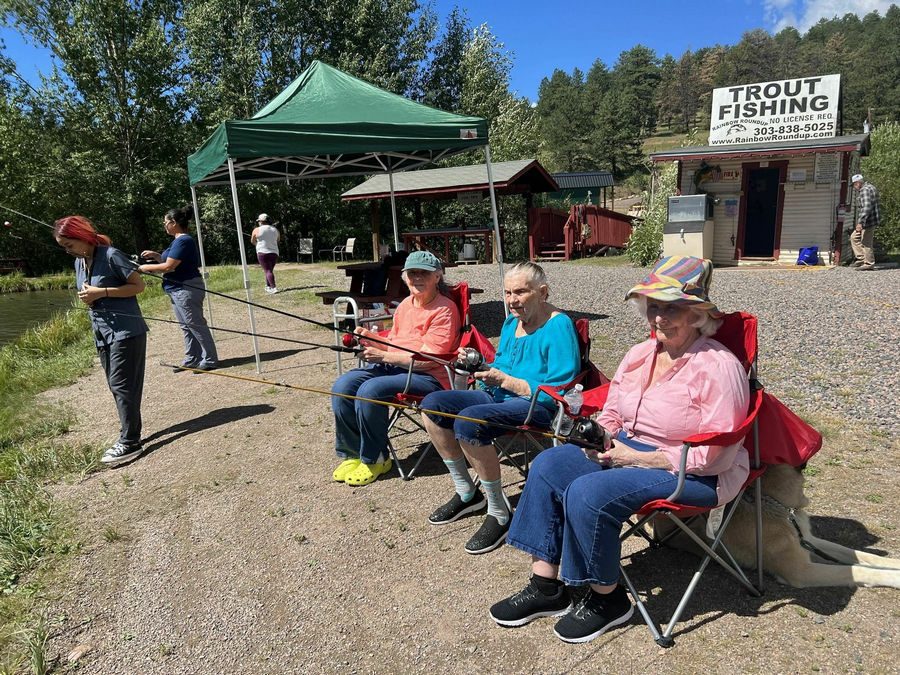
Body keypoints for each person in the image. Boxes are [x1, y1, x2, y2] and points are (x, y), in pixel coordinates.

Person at [489, 256, 749, 644]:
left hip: (694, 472)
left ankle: (608, 599)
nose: (659, 318)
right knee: (548, 464)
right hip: (629, 450)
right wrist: (601, 434)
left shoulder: (718, 367)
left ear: (697, 314)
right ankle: (546, 586)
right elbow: (612, 410)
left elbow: (717, 455)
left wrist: (637, 458)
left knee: (588, 492)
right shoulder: (640, 355)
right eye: (654, 306)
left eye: (672, 307)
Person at [420, 262, 581, 555]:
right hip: (498, 396)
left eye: (520, 292)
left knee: (469, 421)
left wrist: (506, 380)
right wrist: (479, 365)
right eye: (507, 292)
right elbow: (502, 364)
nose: (512, 300)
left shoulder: (558, 325)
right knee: (433, 404)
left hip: (537, 406)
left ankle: (498, 511)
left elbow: (559, 389)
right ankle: (468, 492)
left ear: (542, 292)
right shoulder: (511, 323)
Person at [331, 251, 461, 487]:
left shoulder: (445, 309)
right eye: (412, 273)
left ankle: (376, 458)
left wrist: (384, 356)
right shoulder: (404, 305)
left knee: (370, 390)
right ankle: (352, 454)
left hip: (430, 377)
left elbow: (430, 359)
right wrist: (369, 338)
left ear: (437, 277)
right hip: (396, 368)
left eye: (424, 273)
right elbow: (394, 340)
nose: (418, 278)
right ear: (404, 277)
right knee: (343, 385)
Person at [54, 215, 149, 466]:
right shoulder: (80, 262)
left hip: (127, 331)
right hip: (103, 332)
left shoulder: (110, 255)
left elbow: (138, 286)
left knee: (121, 384)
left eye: (69, 245)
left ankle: (130, 442)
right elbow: (89, 290)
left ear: (83, 237)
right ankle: (132, 433)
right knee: (118, 385)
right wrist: (89, 296)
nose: (67, 251)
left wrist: (103, 292)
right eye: (63, 247)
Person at [139, 205, 218, 372]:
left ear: (173, 222)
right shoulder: (177, 241)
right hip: (176, 289)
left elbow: (169, 267)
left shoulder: (183, 240)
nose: (164, 225)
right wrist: (155, 256)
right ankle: (192, 358)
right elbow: (170, 261)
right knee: (186, 326)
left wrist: (145, 268)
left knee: (195, 324)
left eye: (165, 222)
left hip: (186, 289)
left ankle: (210, 359)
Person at [850, 174, 880, 270]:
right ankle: (861, 259)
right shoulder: (871, 187)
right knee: (854, 237)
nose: (854, 187)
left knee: (866, 242)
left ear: (858, 183)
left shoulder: (864, 190)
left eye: (854, 184)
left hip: (868, 221)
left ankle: (868, 264)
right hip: (871, 219)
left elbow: (866, 207)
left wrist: (860, 223)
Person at [251, 214, 280, 293]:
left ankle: (273, 288)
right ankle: (268, 286)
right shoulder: (275, 230)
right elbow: (277, 240)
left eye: (259, 221)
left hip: (262, 253)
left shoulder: (256, 230)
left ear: (261, 221)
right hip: (274, 253)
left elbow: (252, 241)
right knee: (269, 270)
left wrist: (258, 244)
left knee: (268, 270)